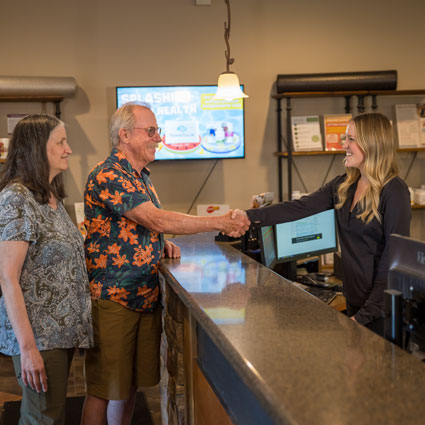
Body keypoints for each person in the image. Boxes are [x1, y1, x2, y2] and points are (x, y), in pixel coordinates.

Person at [81, 102, 249, 425]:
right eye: (151, 131)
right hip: (114, 297)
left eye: (157, 130)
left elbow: (142, 225)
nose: (157, 138)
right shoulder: (109, 174)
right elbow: (155, 218)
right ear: (125, 135)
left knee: (128, 385)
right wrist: (219, 223)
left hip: (143, 295)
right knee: (103, 389)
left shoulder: (140, 176)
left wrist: (159, 243)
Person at [234, 112, 411, 335]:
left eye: (351, 139)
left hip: (380, 314)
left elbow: (392, 262)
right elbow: (299, 207)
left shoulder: (394, 191)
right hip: (355, 303)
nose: (344, 144)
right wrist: (248, 217)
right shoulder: (344, 186)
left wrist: (361, 318)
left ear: (372, 144)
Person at [0, 115, 93, 425]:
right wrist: (28, 349)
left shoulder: (50, 197)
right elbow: (7, 277)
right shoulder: (16, 198)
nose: (68, 149)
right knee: (43, 418)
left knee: (51, 414)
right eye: (61, 142)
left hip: (60, 335)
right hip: (39, 336)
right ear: (37, 149)